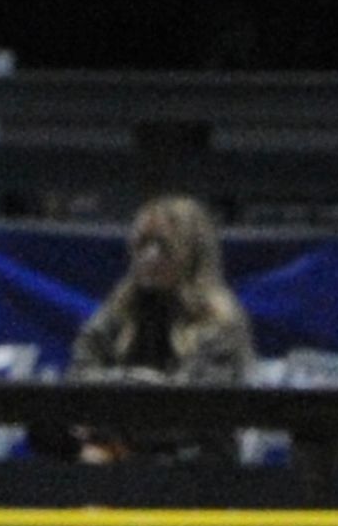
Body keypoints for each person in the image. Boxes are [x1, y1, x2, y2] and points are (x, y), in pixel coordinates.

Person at [68, 195, 253, 458]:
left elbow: (193, 410)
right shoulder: (118, 310)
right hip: (119, 453)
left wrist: (121, 408)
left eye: (163, 246)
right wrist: (137, 387)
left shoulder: (220, 321)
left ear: (191, 253)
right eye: (142, 244)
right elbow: (79, 378)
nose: (150, 256)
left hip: (195, 466)